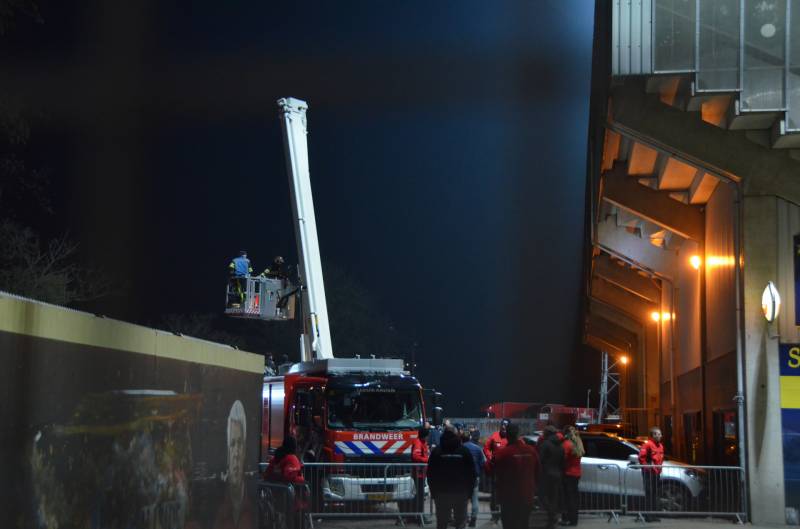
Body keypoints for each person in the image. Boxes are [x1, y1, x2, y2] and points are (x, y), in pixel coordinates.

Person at [490, 423, 541, 529]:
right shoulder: (531, 451)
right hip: (526, 496)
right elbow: (539, 471)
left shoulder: (502, 453)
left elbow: (491, 470)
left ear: (507, 435)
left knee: (509, 524)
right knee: (524, 524)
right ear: (519, 434)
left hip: (508, 497)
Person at [213, 401, 255, 529]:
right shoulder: (217, 502)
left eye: (240, 443)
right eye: (232, 444)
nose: (236, 453)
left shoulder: (253, 501)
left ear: (245, 452)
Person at [427, 429, 476, 529]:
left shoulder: (437, 451)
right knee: (461, 522)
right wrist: (469, 492)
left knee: (441, 523)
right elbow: (471, 473)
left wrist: (433, 492)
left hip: (441, 493)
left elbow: (430, 473)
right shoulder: (464, 451)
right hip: (461, 493)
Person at [483, 418, 510, 521]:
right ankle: (494, 515)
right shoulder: (494, 436)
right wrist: (490, 458)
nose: (503, 427)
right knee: (494, 495)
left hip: (508, 472)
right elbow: (486, 448)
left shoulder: (512, 438)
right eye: (502, 425)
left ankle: (505, 514)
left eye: (505, 425)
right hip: (496, 471)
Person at [539, 426, 565, 529]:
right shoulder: (560, 445)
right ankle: (551, 520)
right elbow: (563, 461)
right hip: (557, 474)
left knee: (542, 496)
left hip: (546, 474)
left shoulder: (545, 444)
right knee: (553, 498)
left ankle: (552, 515)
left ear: (548, 433)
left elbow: (540, 459)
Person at [638, 427, 665, 522]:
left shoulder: (660, 446)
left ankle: (654, 515)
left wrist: (659, 469)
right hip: (648, 474)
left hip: (656, 473)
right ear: (652, 435)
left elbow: (660, 459)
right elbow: (641, 458)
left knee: (654, 494)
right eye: (657, 434)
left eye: (660, 434)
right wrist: (648, 468)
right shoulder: (647, 445)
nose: (659, 436)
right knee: (649, 494)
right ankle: (648, 516)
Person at [561, 425, 584, 526]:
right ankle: (574, 520)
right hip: (577, 473)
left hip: (568, 473)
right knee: (574, 498)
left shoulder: (566, 444)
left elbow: (562, 459)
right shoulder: (579, 444)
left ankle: (568, 519)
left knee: (567, 499)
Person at [462, 430, 486, 527]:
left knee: (463, 499)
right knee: (474, 499)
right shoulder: (478, 449)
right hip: (474, 477)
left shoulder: (461, 448)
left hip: (463, 478)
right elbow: (482, 463)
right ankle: (473, 519)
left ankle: (464, 518)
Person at [411, 426, 430, 519]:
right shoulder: (418, 443)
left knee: (420, 495)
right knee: (420, 495)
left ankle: (417, 515)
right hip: (418, 473)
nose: (428, 437)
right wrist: (427, 460)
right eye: (427, 436)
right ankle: (419, 516)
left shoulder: (423, 442)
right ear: (423, 436)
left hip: (422, 473)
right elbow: (416, 456)